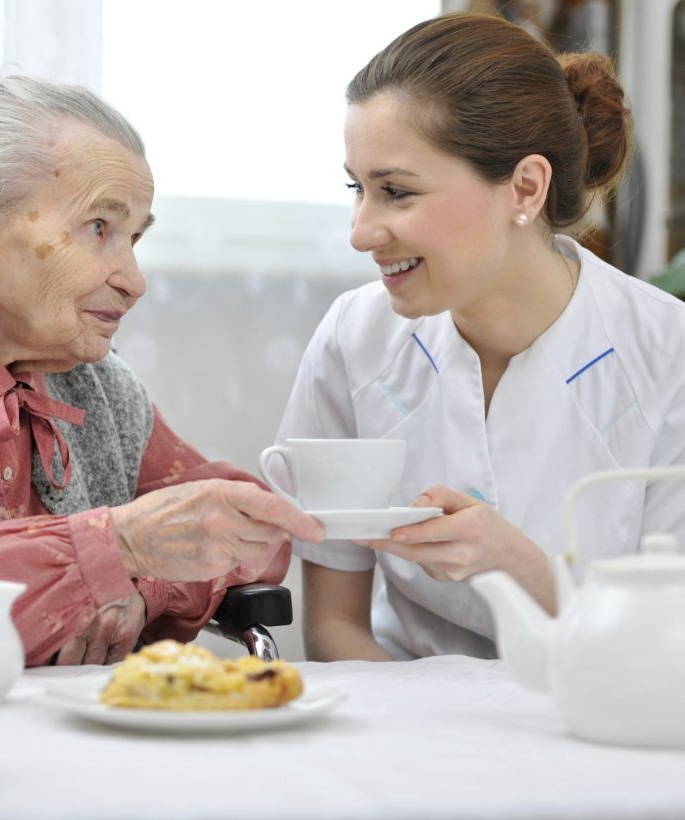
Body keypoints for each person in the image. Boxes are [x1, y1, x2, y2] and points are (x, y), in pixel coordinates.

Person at [274, 12, 685, 661]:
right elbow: (335, 628)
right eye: (357, 188)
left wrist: (514, 563)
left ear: (524, 187)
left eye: (396, 192)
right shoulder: (354, 339)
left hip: (601, 724)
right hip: (397, 723)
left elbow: (665, 649)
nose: (360, 230)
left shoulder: (667, 357)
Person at [0, 67, 324, 667]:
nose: (134, 281)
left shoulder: (96, 385)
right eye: (99, 228)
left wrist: (142, 583)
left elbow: (248, 526)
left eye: (135, 238)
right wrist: (110, 549)